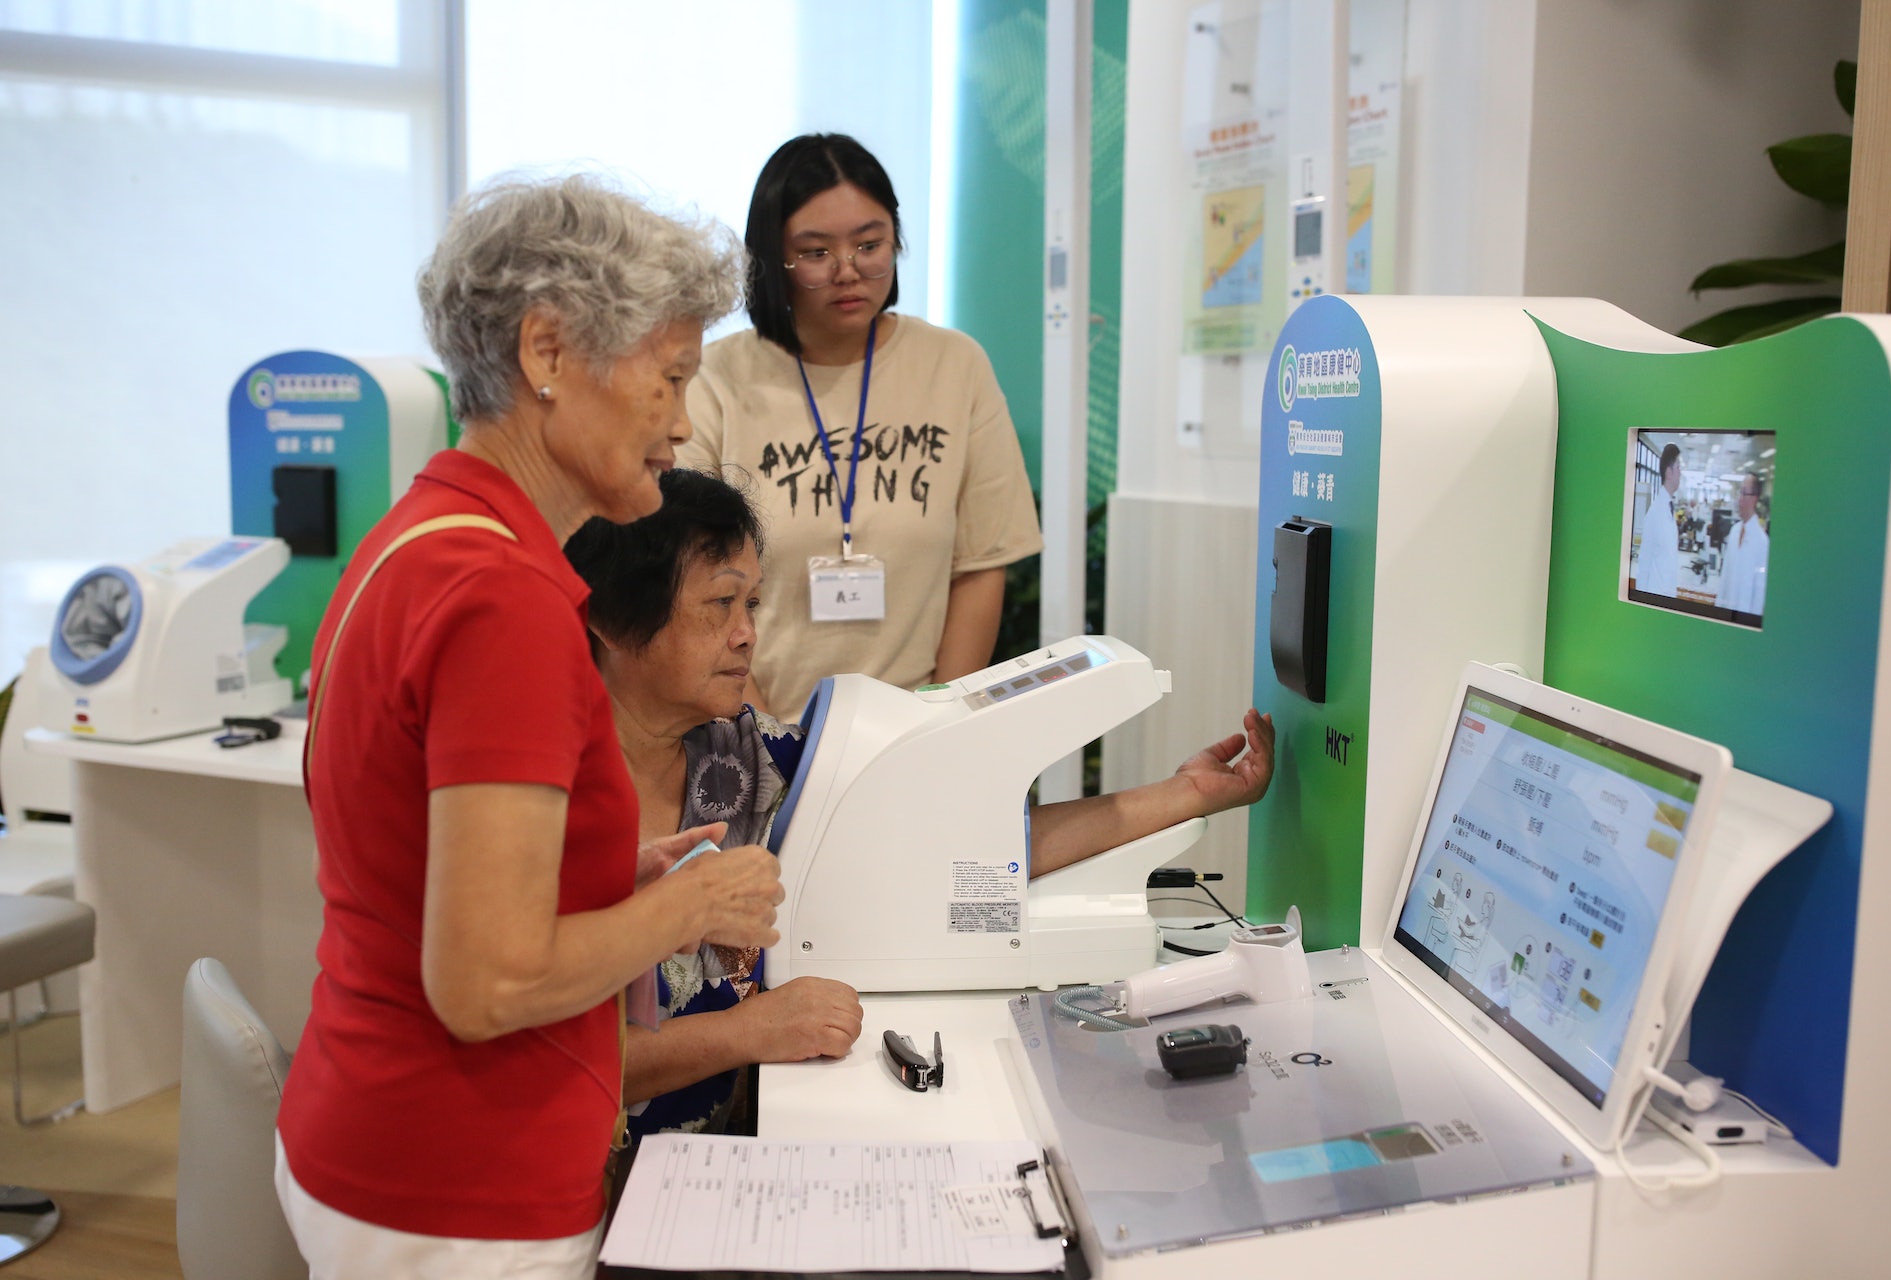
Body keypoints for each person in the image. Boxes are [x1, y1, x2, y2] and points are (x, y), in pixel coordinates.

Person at [274, 174, 785, 1280]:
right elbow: (488, 981)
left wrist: (617, 868)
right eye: (669, 378)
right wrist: (688, 904)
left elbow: (428, 857)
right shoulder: (502, 599)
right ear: (548, 352)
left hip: (371, 1131)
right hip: (460, 1184)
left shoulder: (417, 538)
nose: (683, 423)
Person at [563, 467, 1277, 1141]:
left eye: (751, 603)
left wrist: (1184, 796)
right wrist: (751, 1032)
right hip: (586, 1192)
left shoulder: (743, 761)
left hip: (716, 1160)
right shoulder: (545, 806)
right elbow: (545, 1054)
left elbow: (960, 849)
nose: (747, 632)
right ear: (617, 620)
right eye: (720, 603)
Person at [680, 133, 1042, 722]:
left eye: (870, 244)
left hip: (915, 732)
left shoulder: (954, 366)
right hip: (750, 731)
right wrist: (770, 744)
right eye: (817, 252)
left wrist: (938, 723)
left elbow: (979, 566)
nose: (849, 271)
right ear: (772, 259)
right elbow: (693, 588)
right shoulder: (714, 379)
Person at [1634, 442, 1683, 598]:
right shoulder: (1655, 514)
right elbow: (1644, 564)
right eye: (1678, 468)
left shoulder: (1668, 507)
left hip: (1666, 594)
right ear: (1669, 473)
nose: (1680, 473)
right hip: (1655, 596)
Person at [1717, 472, 1769, 616]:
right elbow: (1725, 577)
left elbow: (1759, 593)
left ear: (1755, 498)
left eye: (1744, 493)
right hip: (1726, 615)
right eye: (1740, 492)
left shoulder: (1762, 542)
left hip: (1744, 618)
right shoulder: (1734, 532)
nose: (1739, 499)